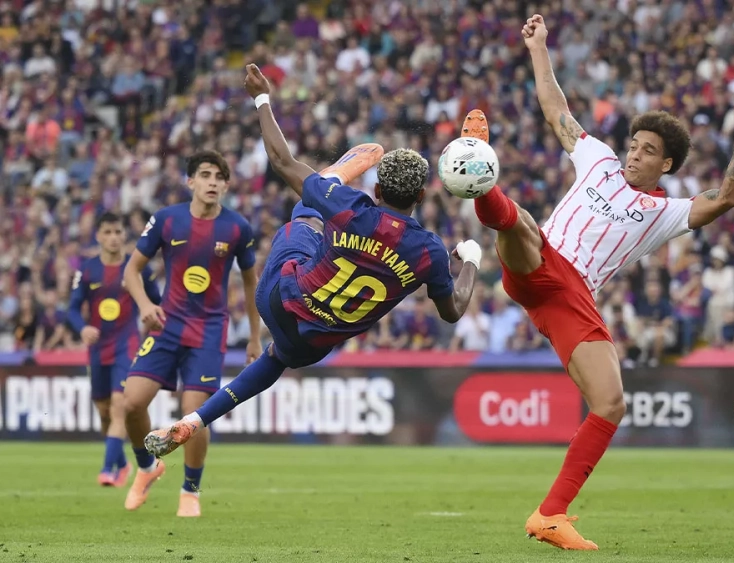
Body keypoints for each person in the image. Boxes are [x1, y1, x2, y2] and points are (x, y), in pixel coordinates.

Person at [468, 14, 734, 550]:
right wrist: (538, 49)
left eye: (649, 151)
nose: (634, 153)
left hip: (570, 296)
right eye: (634, 143)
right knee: (525, 230)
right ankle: (480, 177)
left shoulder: (664, 211)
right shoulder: (598, 158)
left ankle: (550, 515)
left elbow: (724, 199)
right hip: (542, 262)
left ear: (666, 163)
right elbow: (556, 110)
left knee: (610, 404)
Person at [143, 64, 481, 468]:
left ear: (375, 189)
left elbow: (282, 161)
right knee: (278, 357)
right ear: (423, 195)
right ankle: (195, 420)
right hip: (317, 340)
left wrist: (262, 98)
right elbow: (453, 310)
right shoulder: (430, 252)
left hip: (281, 299)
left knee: (306, 208)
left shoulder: (354, 209)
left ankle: (333, 176)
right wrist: (473, 261)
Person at [120, 149, 261, 518]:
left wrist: (255, 337)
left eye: (219, 176)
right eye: (206, 175)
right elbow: (131, 272)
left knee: (192, 415)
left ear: (227, 184)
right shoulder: (166, 221)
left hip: (209, 331)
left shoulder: (236, 228)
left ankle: (191, 490)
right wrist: (145, 306)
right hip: (167, 325)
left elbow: (251, 283)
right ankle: (148, 468)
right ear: (190, 181)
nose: (213, 182)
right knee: (131, 403)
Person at [67, 212, 161, 487]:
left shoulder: (137, 268)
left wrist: (154, 321)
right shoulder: (86, 270)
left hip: (127, 345)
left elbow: (158, 301)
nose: (113, 237)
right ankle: (121, 462)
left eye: (118, 232)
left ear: (124, 235)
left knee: (120, 406)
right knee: (105, 411)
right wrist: (82, 328)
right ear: (98, 236)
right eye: (107, 232)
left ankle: (108, 469)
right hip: (98, 348)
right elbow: (72, 308)